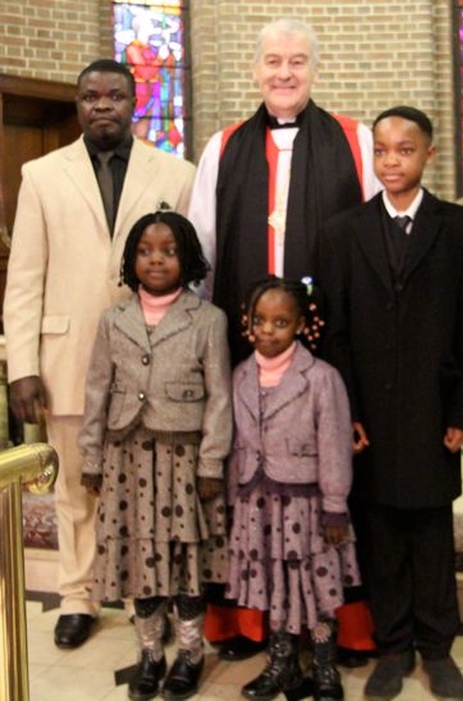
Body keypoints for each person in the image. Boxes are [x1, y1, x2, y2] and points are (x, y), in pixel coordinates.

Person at [188, 17, 378, 662]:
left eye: (297, 62)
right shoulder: (223, 147)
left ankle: (338, 629)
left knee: (327, 490)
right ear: (255, 68)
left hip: (332, 359)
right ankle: (251, 624)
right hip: (249, 360)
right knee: (251, 488)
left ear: (314, 70)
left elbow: (378, 248)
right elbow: (203, 256)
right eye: (273, 61)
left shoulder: (355, 141)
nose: (284, 73)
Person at [2, 58, 195, 650]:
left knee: (146, 485)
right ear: (79, 105)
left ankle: (144, 594)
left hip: (152, 359)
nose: (102, 105)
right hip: (68, 354)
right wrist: (22, 365)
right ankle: (77, 596)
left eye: (114, 96)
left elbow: (192, 271)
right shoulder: (42, 174)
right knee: (74, 488)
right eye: (90, 97)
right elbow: (26, 275)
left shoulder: (176, 173)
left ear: (134, 102)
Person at [320, 106, 463, 701]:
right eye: (383, 150)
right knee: (380, 532)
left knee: (431, 531)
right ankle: (394, 647)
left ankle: (438, 647)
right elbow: (335, 332)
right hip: (369, 413)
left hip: (432, 407)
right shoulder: (343, 232)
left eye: (406, 150)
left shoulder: (462, 228)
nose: (393, 161)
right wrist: (348, 412)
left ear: (429, 155)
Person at [78, 210, 232, 700]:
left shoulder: (207, 319)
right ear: (131, 260)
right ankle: (149, 652)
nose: (157, 259)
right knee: (140, 560)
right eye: (145, 251)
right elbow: (96, 390)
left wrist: (211, 462)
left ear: (186, 258)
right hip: (127, 457)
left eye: (168, 251)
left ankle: (190, 652)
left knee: (186, 561)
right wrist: (90, 457)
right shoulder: (113, 319)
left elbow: (220, 396)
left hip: (183, 458)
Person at [227, 276, 359, 701]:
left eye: (280, 322)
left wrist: (335, 505)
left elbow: (336, 445)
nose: (268, 330)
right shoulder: (241, 374)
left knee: (316, 587)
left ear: (300, 324)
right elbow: (236, 443)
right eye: (260, 321)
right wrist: (234, 498)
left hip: (307, 506)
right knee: (275, 584)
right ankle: (281, 661)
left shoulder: (321, 378)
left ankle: (324, 665)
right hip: (258, 504)